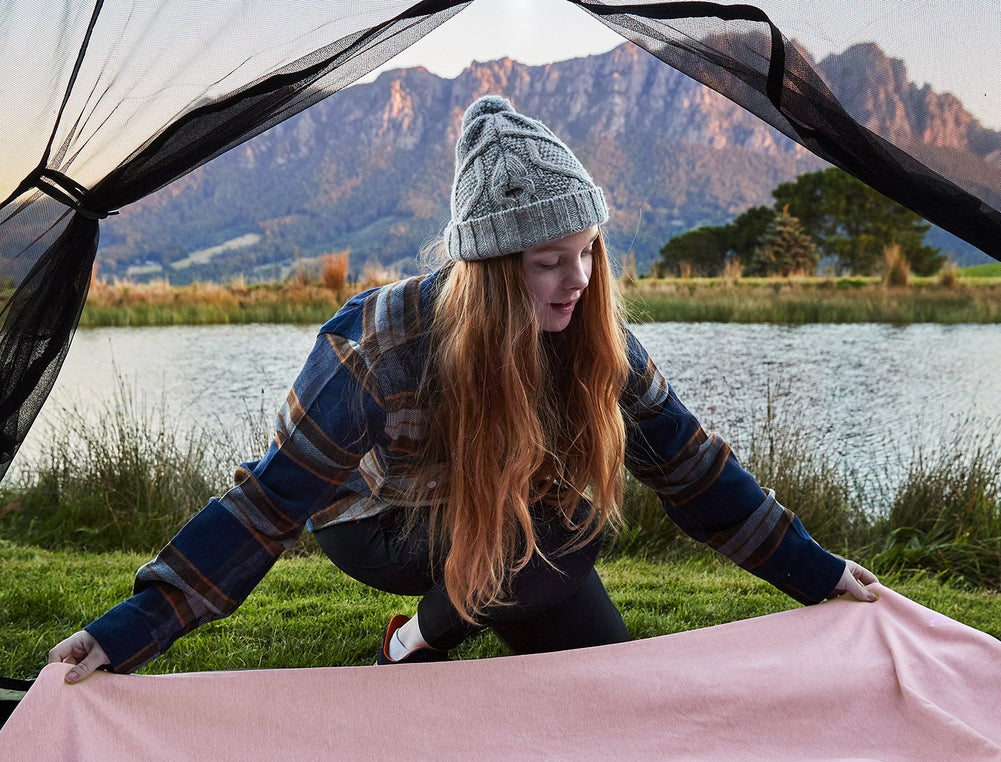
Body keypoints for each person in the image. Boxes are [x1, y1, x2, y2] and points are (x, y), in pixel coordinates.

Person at [50, 95, 877, 683]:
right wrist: (126, 631)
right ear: (487, 272)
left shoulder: (592, 332)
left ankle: (440, 628)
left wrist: (822, 573)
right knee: (549, 528)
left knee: (603, 686)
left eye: (587, 251)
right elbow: (267, 507)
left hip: (509, 515)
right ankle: (411, 644)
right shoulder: (376, 344)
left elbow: (694, 471)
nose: (578, 280)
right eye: (549, 261)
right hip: (383, 523)